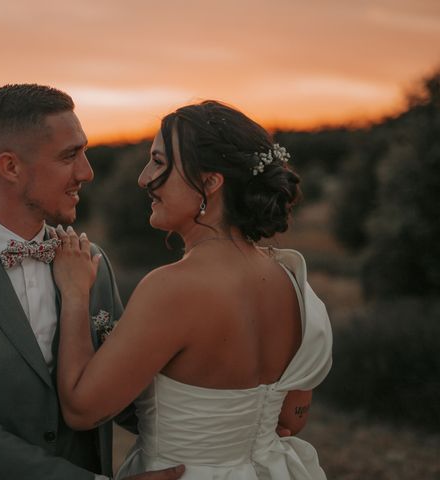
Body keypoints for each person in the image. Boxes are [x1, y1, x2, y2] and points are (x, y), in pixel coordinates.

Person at [0, 84, 184, 480]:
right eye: (69, 156)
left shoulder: (91, 262)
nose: (87, 172)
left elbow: (121, 395)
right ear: (10, 167)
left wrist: (231, 415)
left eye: (85, 151)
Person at [51, 100, 333, 479]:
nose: (143, 178)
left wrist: (73, 294)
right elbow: (290, 419)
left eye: (158, 161)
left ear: (211, 182)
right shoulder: (290, 280)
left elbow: (82, 409)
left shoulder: (172, 289)